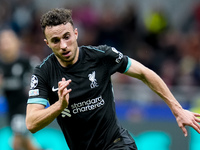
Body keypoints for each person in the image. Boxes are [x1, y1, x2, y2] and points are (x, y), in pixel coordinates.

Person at [26, 8, 200, 150]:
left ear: (76, 33)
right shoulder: (44, 73)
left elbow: (145, 73)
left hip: (116, 144)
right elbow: (32, 123)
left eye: (66, 37)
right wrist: (59, 106)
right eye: (55, 41)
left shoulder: (101, 56)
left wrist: (177, 109)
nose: (63, 45)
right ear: (47, 43)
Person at [0, 29, 39, 150]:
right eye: (2, 42)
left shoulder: (27, 63)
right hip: (11, 112)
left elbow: (41, 82)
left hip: (25, 108)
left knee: (16, 142)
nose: (5, 45)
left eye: (8, 41)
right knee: (22, 144)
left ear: (17, 43)